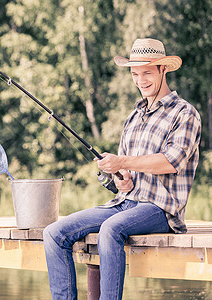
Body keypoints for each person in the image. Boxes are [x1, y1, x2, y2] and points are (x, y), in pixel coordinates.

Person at [43, 38, 202, 300]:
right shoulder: (133, 117)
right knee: (54, 233)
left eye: (147, 72)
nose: (141, 80)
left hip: (161, 209)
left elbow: (171, 161)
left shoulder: (184, 113)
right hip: (125, 202)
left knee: (110, 230)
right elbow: (126, 175)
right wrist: (121, 179)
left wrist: (122, 162)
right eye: (135, 74)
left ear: (163, 70)